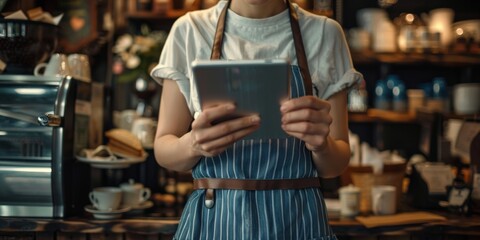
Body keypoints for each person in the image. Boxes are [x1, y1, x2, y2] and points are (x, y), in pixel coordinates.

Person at [150, 0, 362, 238]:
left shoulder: (325, 33)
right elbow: (163, 148)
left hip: (298, 223)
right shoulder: (190, 30)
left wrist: (322, 145)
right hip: (214, 223)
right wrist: (193, 144)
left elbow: (336, 163)